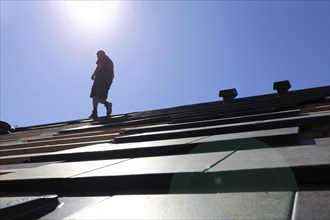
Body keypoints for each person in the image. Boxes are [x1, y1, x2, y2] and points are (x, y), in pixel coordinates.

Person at [89, 50, 114, 119]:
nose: (97, 57)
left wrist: (94, 74)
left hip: (100, 79)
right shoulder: (110, 61)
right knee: (100, 98)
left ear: (100, 54)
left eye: (97, 55)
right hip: (108, 81)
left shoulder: (102, 57)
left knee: (95, 95)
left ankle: (94, 112)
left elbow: (100, 65)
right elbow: (113, 75)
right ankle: (107, 104)